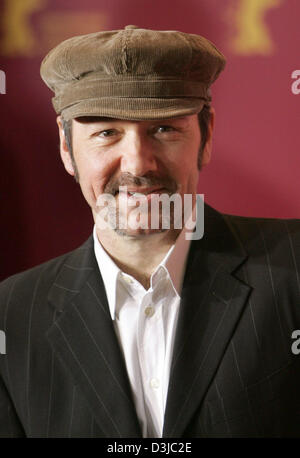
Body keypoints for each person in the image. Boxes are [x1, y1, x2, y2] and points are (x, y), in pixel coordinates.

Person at [0, 25, 300, 439]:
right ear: (67, 148)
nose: (138, 165)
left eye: (163, 129)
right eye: (107, 133)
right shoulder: (11, 314)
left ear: (206, 135)